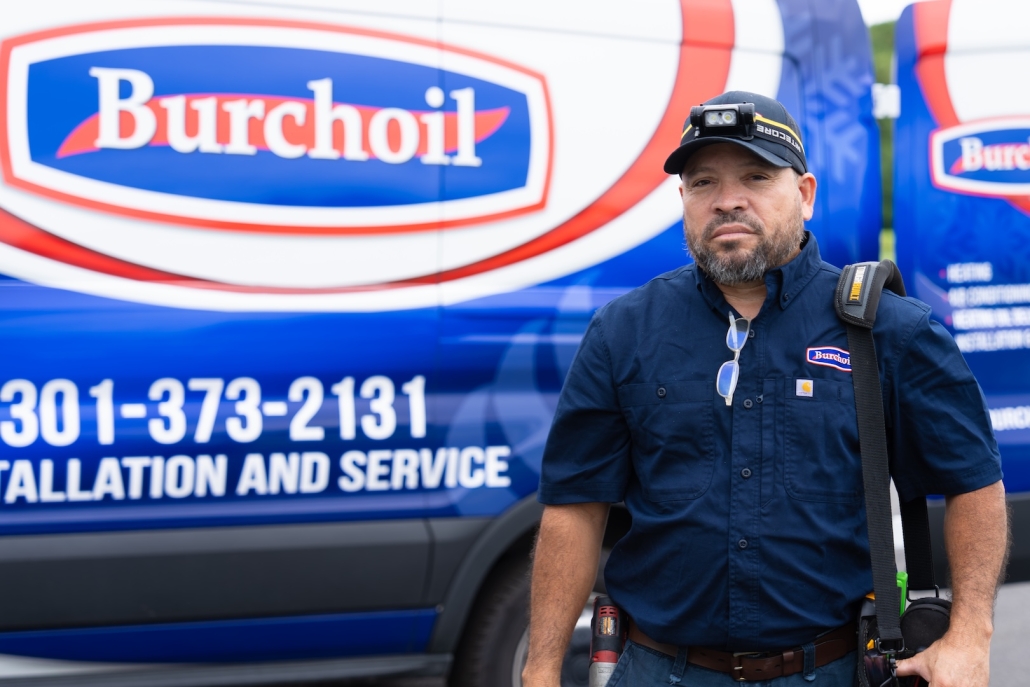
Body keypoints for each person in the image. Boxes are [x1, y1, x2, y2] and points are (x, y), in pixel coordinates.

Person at [521, 91, 1009, 687]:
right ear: (684, 201)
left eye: (755, 176)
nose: (728, 200)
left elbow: (973, 485)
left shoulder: (891, 329)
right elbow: (575, 507)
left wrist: (970, 634)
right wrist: (541, 668)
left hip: (828, 670)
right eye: (703, 183)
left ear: (803, 194)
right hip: (658, 669)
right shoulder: (624, 331)